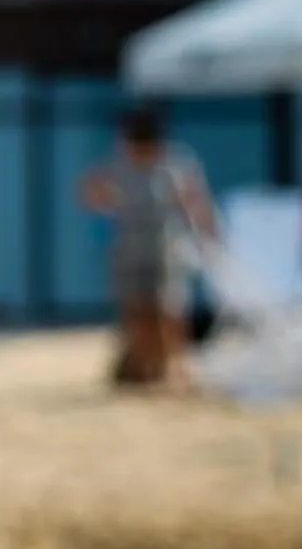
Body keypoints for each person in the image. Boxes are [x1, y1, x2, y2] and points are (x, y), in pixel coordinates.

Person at [81, 104, 218, 388]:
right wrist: (107, 201)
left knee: (168, 309)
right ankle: (143, 365)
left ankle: (174, 366)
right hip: (130, 246)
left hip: (165, 245)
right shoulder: (119, 162)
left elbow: (195, 200)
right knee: (135, 309)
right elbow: (91, 191)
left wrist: (207, 235)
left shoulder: (175, 162)